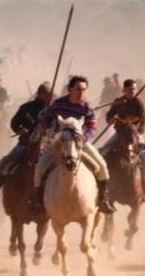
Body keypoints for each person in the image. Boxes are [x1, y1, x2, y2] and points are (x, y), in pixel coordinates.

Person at [34, 75, 114, 214]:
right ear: (70, 89)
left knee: (102, 165)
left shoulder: (86, 107)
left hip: (79, 142)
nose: (81, 92)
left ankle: (103, 199)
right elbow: (45, 118)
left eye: (83, 90)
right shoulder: (58, 104)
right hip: (59, 143)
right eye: (78, 89)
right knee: (40, 166)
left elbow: (93, 126)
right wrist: (45, 127)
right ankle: (38, 199)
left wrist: (85, 137)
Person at [0, 83, 52, 208]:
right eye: (47, 94)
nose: (49, 97)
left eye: (50, 95)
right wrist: (19, 130)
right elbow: (14, 122)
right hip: (25, 144)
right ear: (40, 94)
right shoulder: (26, 107)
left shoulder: (52, 111)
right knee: (6, 163)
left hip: (45, 147)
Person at [102, 79, 145, 199]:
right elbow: (109, 115)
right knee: (104, 151)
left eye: (134, 89)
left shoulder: (138, 102)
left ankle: (144, 185)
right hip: (120, 133)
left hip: (135, 134)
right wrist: (111, 119)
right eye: (130, 89)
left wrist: (137, 130)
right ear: (124, 90)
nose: (132, 91)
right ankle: (103, 185)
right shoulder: (118, 102)